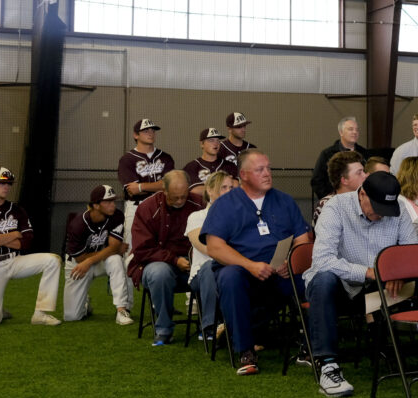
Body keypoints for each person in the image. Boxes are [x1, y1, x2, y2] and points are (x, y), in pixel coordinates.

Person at [304, 170, 418, 398]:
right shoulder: (336, 207)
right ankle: (328, 366)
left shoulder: (398, 210)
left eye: (386, 210)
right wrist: (370, 272)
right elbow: (323, 260)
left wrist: (398, 270)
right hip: (343, 285)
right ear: (361, 194)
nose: (382, 216)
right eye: (377, 209)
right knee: (322, 279)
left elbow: (411, 251)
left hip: (383, 286)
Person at [203, 150, 312, 374]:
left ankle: (311, 346)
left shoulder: (284, 200)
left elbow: (302, 240)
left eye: (269, 168)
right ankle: (246, 351)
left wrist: (292, 262)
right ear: (243, 174)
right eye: (260, 169)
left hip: (281, 269)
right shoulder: (224, 205)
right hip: (242, 271)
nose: (267, 174)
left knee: (313, 279)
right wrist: (249, 265)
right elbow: (214, 247)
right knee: (230, 277)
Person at [128, 170, 203, 345]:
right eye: (175, 197)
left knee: (211, 270)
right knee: (159, 273)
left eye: (183, 196)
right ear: (164, 191)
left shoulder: (199, 203)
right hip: (156, 263)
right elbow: (142, 249)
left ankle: (209, 325)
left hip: (192, 262)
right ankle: (163, 329)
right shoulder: (147, 208)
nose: (179, 201)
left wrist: (194, 260)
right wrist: (174, 260)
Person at [0, 167, 62, 326]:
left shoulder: (17, 210)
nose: (6, 187)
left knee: (52, 261)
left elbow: (27, 241)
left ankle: (40, 314)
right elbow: (18, 237)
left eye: (9, 184)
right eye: (2, 183)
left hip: (14, 260)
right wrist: (14, 234)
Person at [63, 185, 132, 325]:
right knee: (72, 316)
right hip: (77, 265)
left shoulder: (117, 215)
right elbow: (80, 257)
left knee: (115, 260)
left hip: (97, 261)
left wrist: (111, 251)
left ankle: (121, 310)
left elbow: (114, 248)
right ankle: (85, 303)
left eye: (113, 200)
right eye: (108, 202)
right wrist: (112, 249)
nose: (113, 204)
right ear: (95, 205)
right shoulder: (78, 224)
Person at [185, 171, 235, 342]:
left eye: (231, 187)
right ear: (210, 191)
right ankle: (209, 326)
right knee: (210, 265)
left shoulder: (240, 216)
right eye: (224, 188)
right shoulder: (196, 217)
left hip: (232, 270)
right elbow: (208, 250)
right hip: (203, 275)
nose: (229, 191)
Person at [118, 118, 176, 252]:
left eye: (152, 130)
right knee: (132, 247)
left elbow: (169, 185)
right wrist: (158, 186)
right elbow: (132, 190)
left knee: (162, 245)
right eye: (145, 131)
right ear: (136, 135)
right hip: (136, 207)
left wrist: (141, 187)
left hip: (163, 206)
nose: (150, 133)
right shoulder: (127, 159)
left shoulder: (166, 157)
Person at [310, 117, 369, 200]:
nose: (355, 132)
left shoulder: (365, 153)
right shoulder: (327, 154)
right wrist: (330, 199)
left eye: (357, 130)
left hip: (360, 201)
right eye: (350, 129)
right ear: (341, 132)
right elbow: (317, 180)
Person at [313, 150, 365, 226]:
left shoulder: (365, 200)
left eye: (364, 171)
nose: (365, 175)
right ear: (344, 180)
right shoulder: (326, 206)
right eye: (359, 173)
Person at [183, 128, 237, 199]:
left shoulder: (229, 165)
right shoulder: (192, 166)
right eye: (211, 140)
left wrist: (209, 187)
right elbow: (194, 190)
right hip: (201, 207)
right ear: (202, 144)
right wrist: (222, 186)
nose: (216, 144)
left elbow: (236, 185)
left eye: (218, 140)